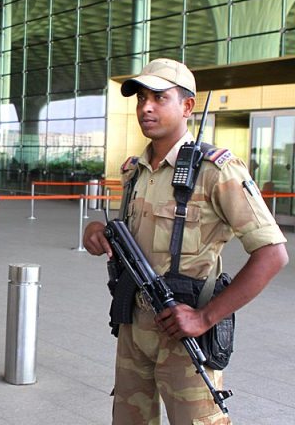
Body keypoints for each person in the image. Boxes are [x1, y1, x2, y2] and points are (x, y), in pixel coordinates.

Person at [82, 58, 288, 424]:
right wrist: (97, 230)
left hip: (183, 332)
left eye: (159, 97)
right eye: (141, 98)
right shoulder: (134, 170)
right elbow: (129, 237)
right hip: (133, 325)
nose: (146, 107)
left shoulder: (216, 170)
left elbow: (272, 254)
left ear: (187, 106)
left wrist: (206, 316)